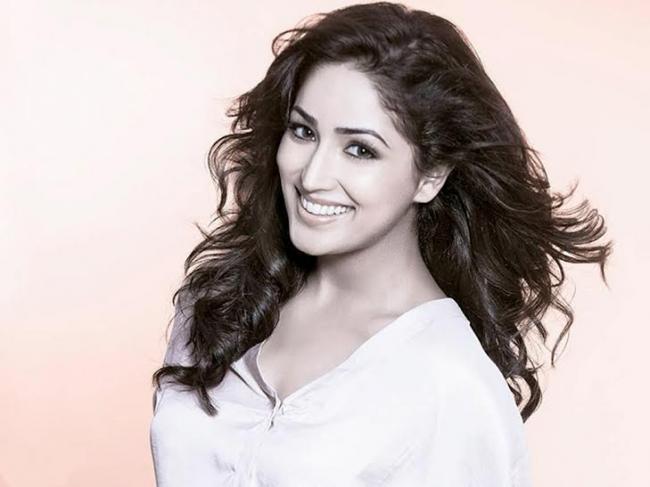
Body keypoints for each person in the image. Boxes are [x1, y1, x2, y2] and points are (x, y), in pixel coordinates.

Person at [149, 2, 612, 486]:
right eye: (304, 131)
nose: (312, 175)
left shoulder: (450, 384)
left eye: (360, 149)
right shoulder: (219, 302)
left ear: (431, 175)